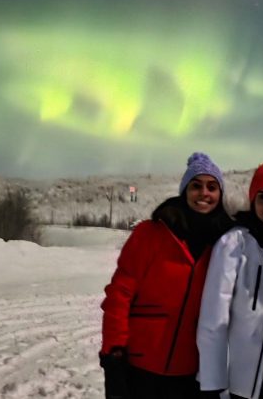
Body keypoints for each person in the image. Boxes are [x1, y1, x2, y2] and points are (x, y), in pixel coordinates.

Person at [99, 152, 233, 399]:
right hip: (139, 365)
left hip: (190, 373)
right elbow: (120, 293)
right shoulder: (150, 234)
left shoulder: (225, 243)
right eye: (196, 186)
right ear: (184, 191)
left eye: (212, 187)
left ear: (220, 194)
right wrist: (114, 352)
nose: (204, 193)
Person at [197, 162, 263, 399]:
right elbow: (214, 320)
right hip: (244, 384)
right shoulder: (234, 244)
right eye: (262, 197)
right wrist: (214, 384)